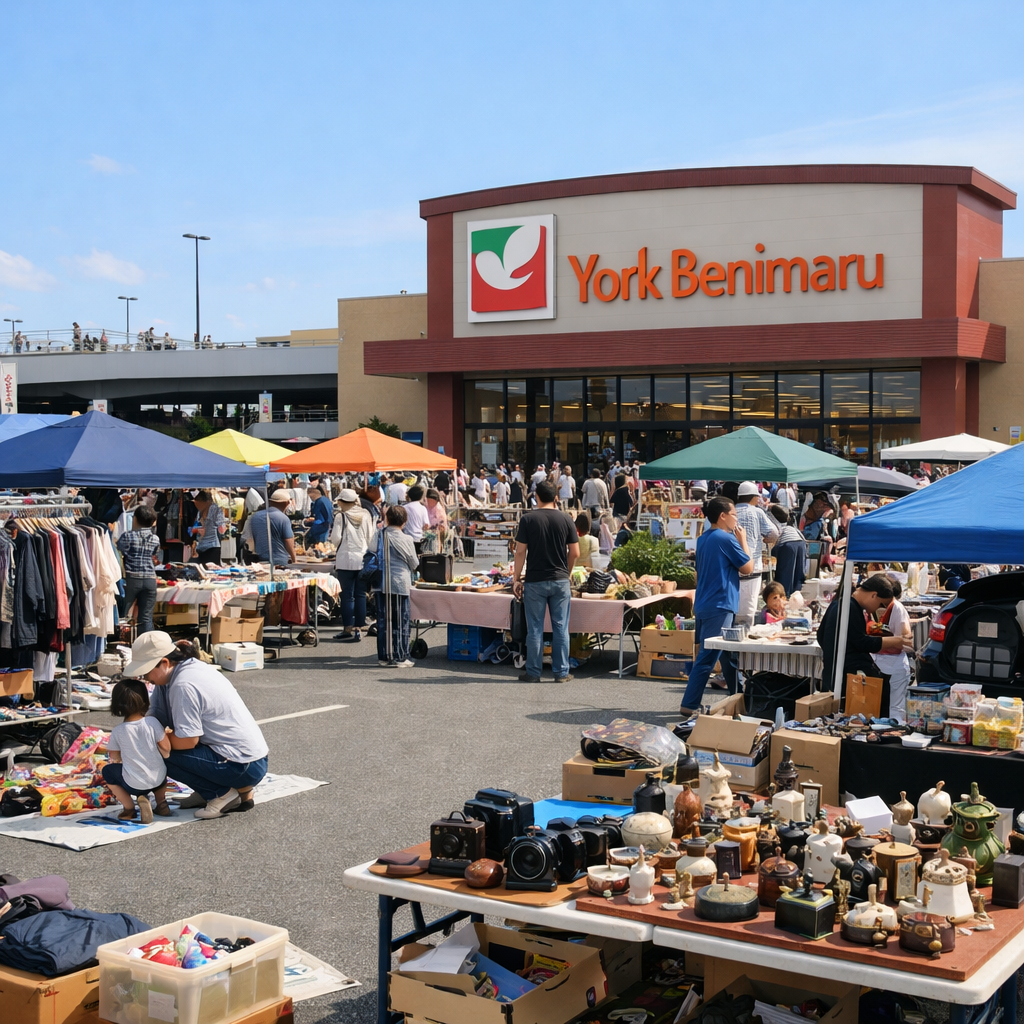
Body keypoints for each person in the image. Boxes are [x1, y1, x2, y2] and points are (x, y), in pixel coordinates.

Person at [127, 633, 269, 818]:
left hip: (244, 764)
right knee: (151, 743)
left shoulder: (183, 684)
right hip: (247, 758)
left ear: (164, 662)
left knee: (156, 752)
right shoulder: (175, 673)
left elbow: (187, 741)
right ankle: (216, 791)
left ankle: (220, 793)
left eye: (146, 671)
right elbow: (157, 715)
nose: (145, 678)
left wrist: (149, 742)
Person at [679, 497, 753, 717]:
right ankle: (689, 704)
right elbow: (748, 567)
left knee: (727, 655)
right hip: (720, 603)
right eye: (734, 515)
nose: (736, 519)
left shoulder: (704, 538)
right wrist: (744, 540)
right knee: (708, 657)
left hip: (706, 603)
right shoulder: (725, 538)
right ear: (723, 516)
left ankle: (739, 698)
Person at [512, 481, 580, 683]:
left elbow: (520, 552)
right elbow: (575, 552)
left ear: (536, 497)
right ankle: (561, 673)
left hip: (535, 580)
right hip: (560, 580)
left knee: (535, 628)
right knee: (561, 627)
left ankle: (533, 672)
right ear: (556, 498)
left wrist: (516, 578)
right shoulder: (566, 519)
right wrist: (566, 573)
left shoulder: (528, 519)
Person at [817, 573, 912, 711]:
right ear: (873, 595)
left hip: (834, 672)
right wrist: (895, 641)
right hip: (850, 676)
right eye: (880, 604)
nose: (878, 609)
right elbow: (862, 642)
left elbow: (821, 635)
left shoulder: (839, 603)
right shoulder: (850, 607)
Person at [101, 679, 172, 822]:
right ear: (146, 700)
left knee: (108, 771)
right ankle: (161, 803)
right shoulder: (152, 722)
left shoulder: (118, 731)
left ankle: (129, 808)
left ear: (116, 704)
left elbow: (114, 756)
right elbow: (166, 748)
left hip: (133, 784)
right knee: (161, 768)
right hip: (158, 779)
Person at [376, 505, 420, 667]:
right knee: (400, 621)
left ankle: (384, 656)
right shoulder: (406, 539)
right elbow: (414, 563)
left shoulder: (379, 535)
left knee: (384, 621)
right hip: (399, 583)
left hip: (380, 582)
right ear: (404, 521)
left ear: (387, 518)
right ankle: (400, 656)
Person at [331, 488, 376, 642]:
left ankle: (347, 628)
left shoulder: (340, 517)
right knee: (360, 594)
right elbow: (371, 538)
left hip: (345, 559)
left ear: (343, 502)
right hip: (362, 558)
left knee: (347, 596)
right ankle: (359, 629)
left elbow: (335, 538)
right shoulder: (366, 514)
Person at [733, 481, 779, 626]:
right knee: (748, 613)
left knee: (734, 612)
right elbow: (774, 533)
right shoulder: (757, 512)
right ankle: (744, 644)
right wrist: (765, 538)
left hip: (732, 570)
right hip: (753, 568)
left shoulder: (731, 511)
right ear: (753, 497)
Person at [872, 576, 913, 722]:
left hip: (894, 665)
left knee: (895, 709)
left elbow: (906, 637)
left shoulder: (897, 608)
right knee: (889, 708)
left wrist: (885, 641)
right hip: (886, 664)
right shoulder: (888, 608)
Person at [116, 506, 160, 634]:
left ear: (134, 519)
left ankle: (117, 640)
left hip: (131, 579)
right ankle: (145, 645)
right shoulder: (155, 539)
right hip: (150, 579)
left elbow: (120, 549)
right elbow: (155, 552)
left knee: (121, 613)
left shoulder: (127, 536)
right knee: (146, 618)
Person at [241, 489, 295, 566]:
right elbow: (288, 541)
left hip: (259, 559)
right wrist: (294, 559)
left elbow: (248, 538)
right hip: (279, 561)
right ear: (287, 503)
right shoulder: (283, 518)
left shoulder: (255, 516)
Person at [768, 504, 806, 596]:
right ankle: (796, 597)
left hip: (788, 544)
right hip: (800, 542)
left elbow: (773, 535)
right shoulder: (789, 523)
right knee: (798, 575)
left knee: (784, 575)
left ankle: (784, 596)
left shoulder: (771, 519)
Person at [192, 490, 225, 564]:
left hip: (204, 547)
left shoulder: (203, 511)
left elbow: (195, 528)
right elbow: (222, 529)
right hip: (211, 546)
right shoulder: (217, 509)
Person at [402, 484, 430, 553]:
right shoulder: (423, 508)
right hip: (420, 539)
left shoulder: (404, 508)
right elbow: (426, 525)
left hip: (407, 538)